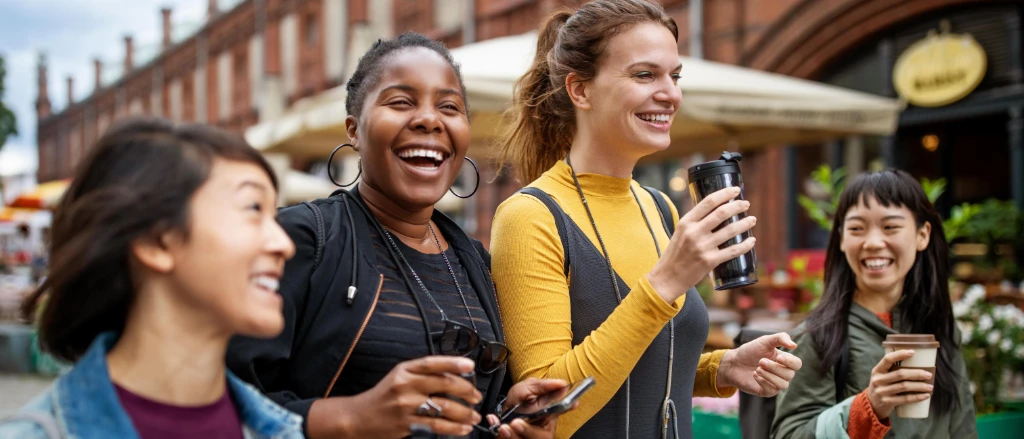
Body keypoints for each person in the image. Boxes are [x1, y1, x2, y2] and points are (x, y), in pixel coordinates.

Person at [226, 33, 569, 439]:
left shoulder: (473, 261)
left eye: (449, 107)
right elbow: (222, 402)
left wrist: (505, 417)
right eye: (401, 102)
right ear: (354, 130)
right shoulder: (299, 239)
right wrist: (353, 417)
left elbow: (463, 416)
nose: (430, 119)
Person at [489, 1, 804, 438]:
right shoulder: (530, 216)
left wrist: (722, 367)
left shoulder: (658, 205)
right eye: (644, 75)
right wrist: (664, 284)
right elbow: (548, 412)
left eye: (674, 76)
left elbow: (647, 360)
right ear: (580, 90)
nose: (671, 94)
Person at [0, 118, 303, 439]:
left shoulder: (281, 430)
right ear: (156, 240)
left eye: (274, 214)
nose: (284, 244)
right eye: (253, 208)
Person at [772, 170, 977, 438]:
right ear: (842, 239)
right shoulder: (817, 337)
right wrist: (867, 407)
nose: (873, 243)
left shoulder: (941, 330)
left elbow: (962, 429)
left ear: (922, 235)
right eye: (857, 228)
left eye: (890, 227)